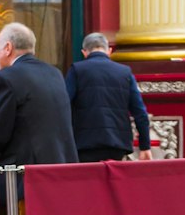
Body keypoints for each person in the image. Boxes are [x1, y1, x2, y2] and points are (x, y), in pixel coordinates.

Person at [0, 23, 78, 172]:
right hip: (61, 169)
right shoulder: (55, 73)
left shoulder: (6, 78)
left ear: (8, 48)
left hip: (26, 176)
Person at [65, 32, 152, 163]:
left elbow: (64, 104)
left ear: (84, 52)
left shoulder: (77, 70)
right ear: (109, 51)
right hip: (117, 143)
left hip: (85, 143)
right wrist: (145, 146)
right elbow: (140, 112)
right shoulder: (125, 72)